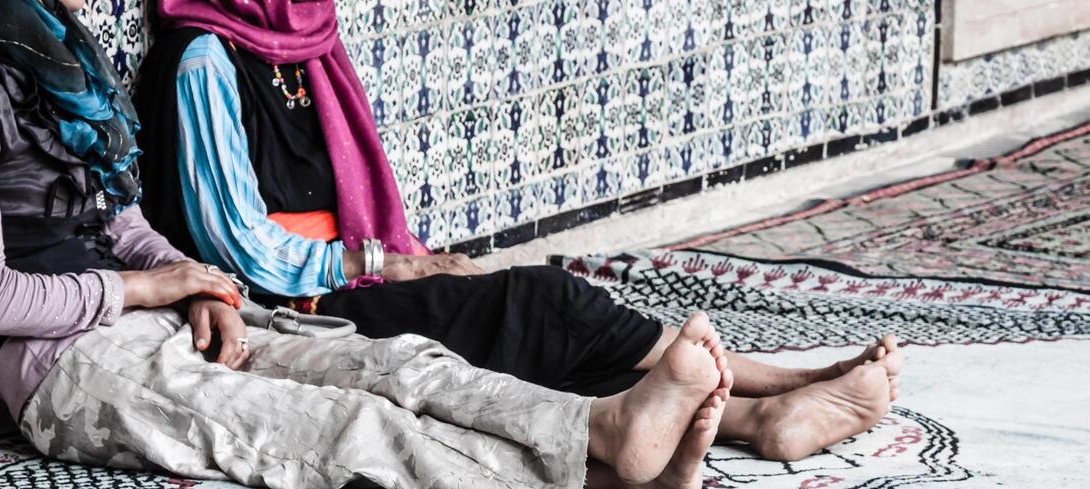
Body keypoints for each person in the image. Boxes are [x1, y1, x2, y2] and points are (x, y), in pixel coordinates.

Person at [0, 0, 733, 489]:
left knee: (395, 367)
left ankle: (625, 458)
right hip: (69, 366)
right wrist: (149, 285)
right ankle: (600, 448)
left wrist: (203, 293)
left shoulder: (60, 62)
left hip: (152, 315)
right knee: (342, 428)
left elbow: (121, 224)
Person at [134, 0, 905, 462]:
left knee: (533, 344)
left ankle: (760, 420)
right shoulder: (202, 58)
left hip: (350, 277)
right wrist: (393, 264)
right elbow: (235, 242)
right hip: (288, 308)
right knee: (544, 303)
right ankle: (783, 381)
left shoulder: (305, 46)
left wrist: (406, 263)